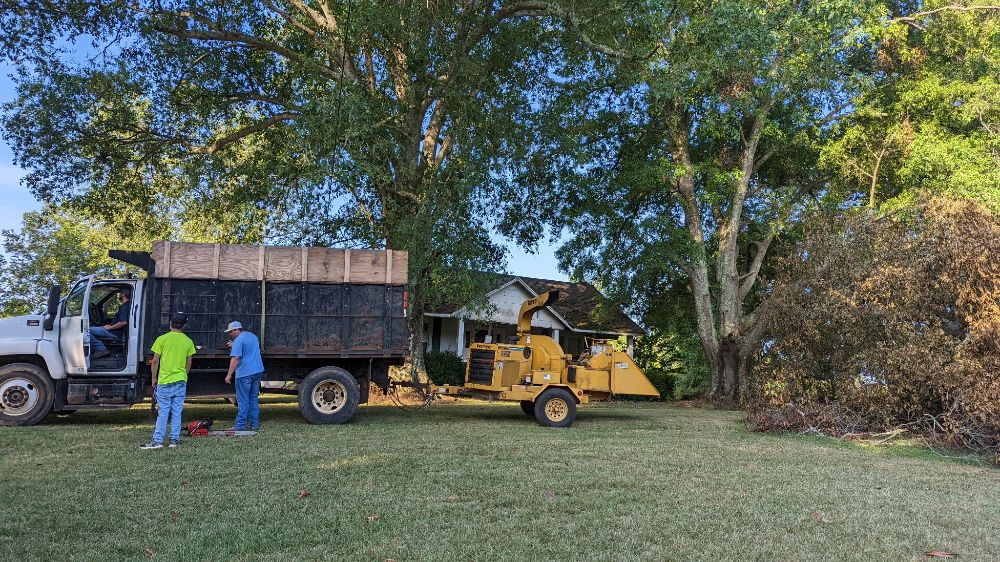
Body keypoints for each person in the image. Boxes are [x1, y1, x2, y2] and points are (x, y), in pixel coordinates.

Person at [141, 313, 196, 450]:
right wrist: (184, 375)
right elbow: (188, 363)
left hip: (165, 380)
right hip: (181, 380)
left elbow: (155, 361)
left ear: (170, 324)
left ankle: (158, 441)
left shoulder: (162, 339)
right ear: (184, 326)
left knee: (163, 411)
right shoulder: (188, 341)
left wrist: (154, 378)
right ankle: (174, 440)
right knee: (177, 411)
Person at [223, 321, 265, 431]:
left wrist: (229, 375)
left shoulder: (238, 341)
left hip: (244, 373)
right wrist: (234, 344)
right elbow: (248, 348)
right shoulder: (252, 336)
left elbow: (236, 358)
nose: (230, 334)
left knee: (243, 400)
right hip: (257, 371)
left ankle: (240, 426)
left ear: (237, 330)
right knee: (253, 398)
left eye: (231, 332)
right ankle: (254, 425)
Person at [90, 287, 131, 359]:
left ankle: (101, 349)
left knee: (86, 331)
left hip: (115, 333)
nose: (119, 294)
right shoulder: (126, 305)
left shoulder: (125, 306)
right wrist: (109, 325)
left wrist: (110, 327)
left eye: (120, 293)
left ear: (123, 294)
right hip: (114, 330)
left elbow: (123, 322)